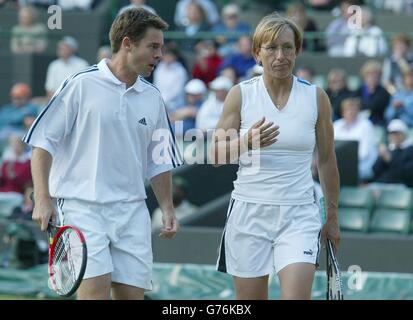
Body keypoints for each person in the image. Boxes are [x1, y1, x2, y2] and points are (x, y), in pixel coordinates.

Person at [23, 8, 181, 300]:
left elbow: (159, 160)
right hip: (82, 209)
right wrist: (42, 198)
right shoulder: (80, 84)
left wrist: (168, 208)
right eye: (153, 46)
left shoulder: (153, 97)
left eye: (160, 47)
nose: (159, 54)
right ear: (127, 43)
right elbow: (42, 143)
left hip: (133, 212)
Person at [208, 12, 340, 300]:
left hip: (299, 215)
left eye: (287, 47)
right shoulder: (239, 95)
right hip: (248, 214)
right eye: (271, 48)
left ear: (297, 51)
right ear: (257, 53)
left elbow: (328, 160)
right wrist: (246, 142)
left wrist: (332, 216)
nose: (280, 55)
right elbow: (215, 155)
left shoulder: (317, 98)